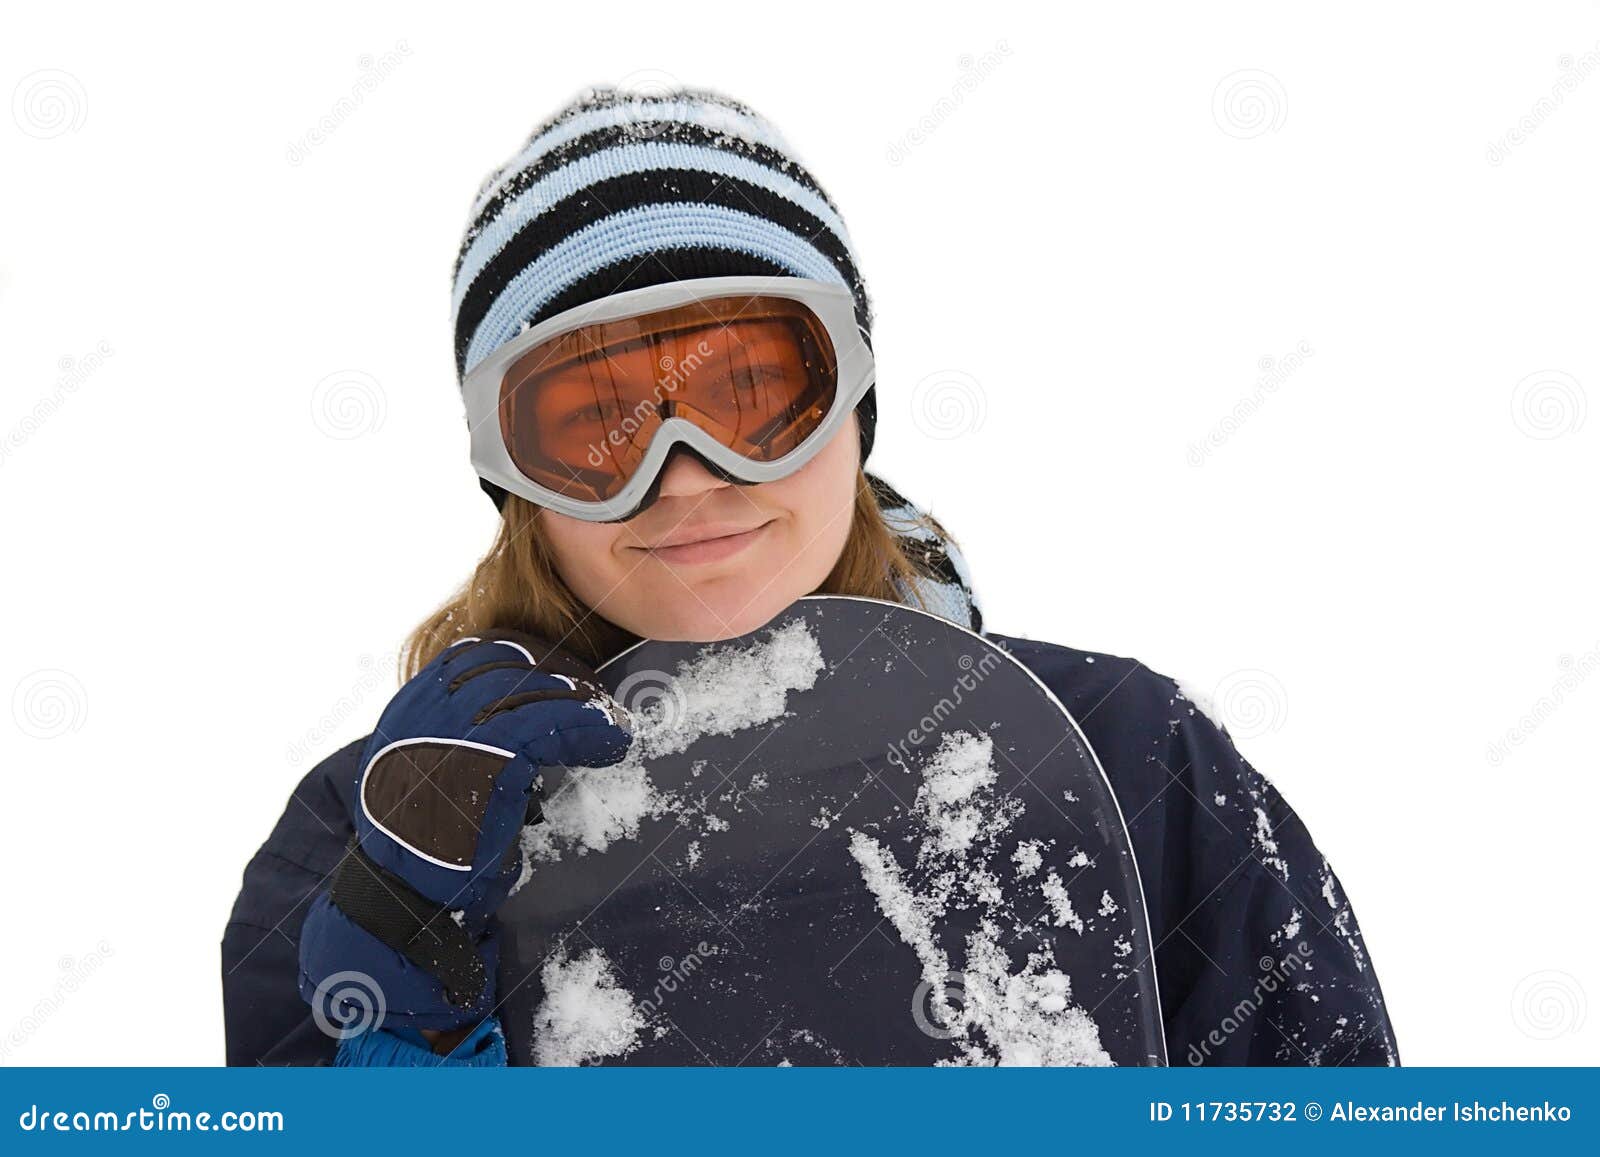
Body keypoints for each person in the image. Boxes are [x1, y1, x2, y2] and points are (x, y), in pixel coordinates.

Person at [222, 86, 1398, 1068]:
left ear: (852, 406)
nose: (688, 477)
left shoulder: (1124, 754)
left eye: (750, 392)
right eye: (596, 423)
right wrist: (398, 1022)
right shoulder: (368, 837)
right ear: (515, 479)